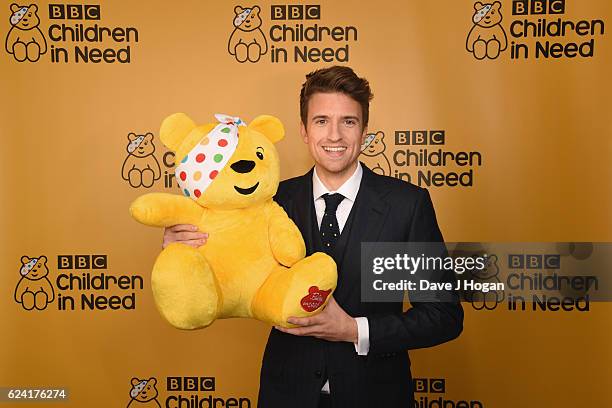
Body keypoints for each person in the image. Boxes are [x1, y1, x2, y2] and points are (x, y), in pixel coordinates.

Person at [163, 66, 463, 408]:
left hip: (376, 395)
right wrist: (185, 253)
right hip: (287, 395)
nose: (334, 135)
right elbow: (228, 275)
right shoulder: (267, 201)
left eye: (348, 122)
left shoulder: (406, 205)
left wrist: (355, 330)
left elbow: (443, 316)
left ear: (364, 130)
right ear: (304, 131)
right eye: (321, 121)